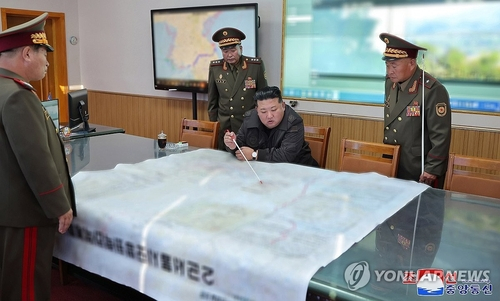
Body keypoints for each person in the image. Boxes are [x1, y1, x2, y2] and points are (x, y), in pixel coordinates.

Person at [0, 13, 76, 300]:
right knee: (26, 288)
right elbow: (34, 158)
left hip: (7, 208)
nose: (47, 61)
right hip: (26, 212)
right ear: (27, 52)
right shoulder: (18, 95)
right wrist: (59, 204)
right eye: (44, 53)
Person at [379, 33, 451, 188]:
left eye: (394, 66)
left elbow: (441, 135)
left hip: (417, 169)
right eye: (387, 66)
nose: (390, 71)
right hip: (392, 164)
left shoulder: (431, 90)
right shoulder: (390, 83)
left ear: (411, 64)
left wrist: (432, 169)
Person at [224, 86, 318, 167]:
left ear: (283, 106)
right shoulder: (250, 118)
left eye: (273, 109)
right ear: (257, 110)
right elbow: (241, 147)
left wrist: (255, 155)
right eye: (263, 111)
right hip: (265, 170)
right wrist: (233, 145)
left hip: (298, 170)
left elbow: (286, 155)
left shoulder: (294, 122)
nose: (269, 116)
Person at [208, 27, 268, 150]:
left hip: (249, 125)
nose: (229, 55)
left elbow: (264, 99)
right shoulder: (215, 68)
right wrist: (216, 125)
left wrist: (261, 124)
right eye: (225, 51)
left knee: (247, 160)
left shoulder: (254, 66)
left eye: (233, 50)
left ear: (240, 49)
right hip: (226, 128)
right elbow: (212, 101)